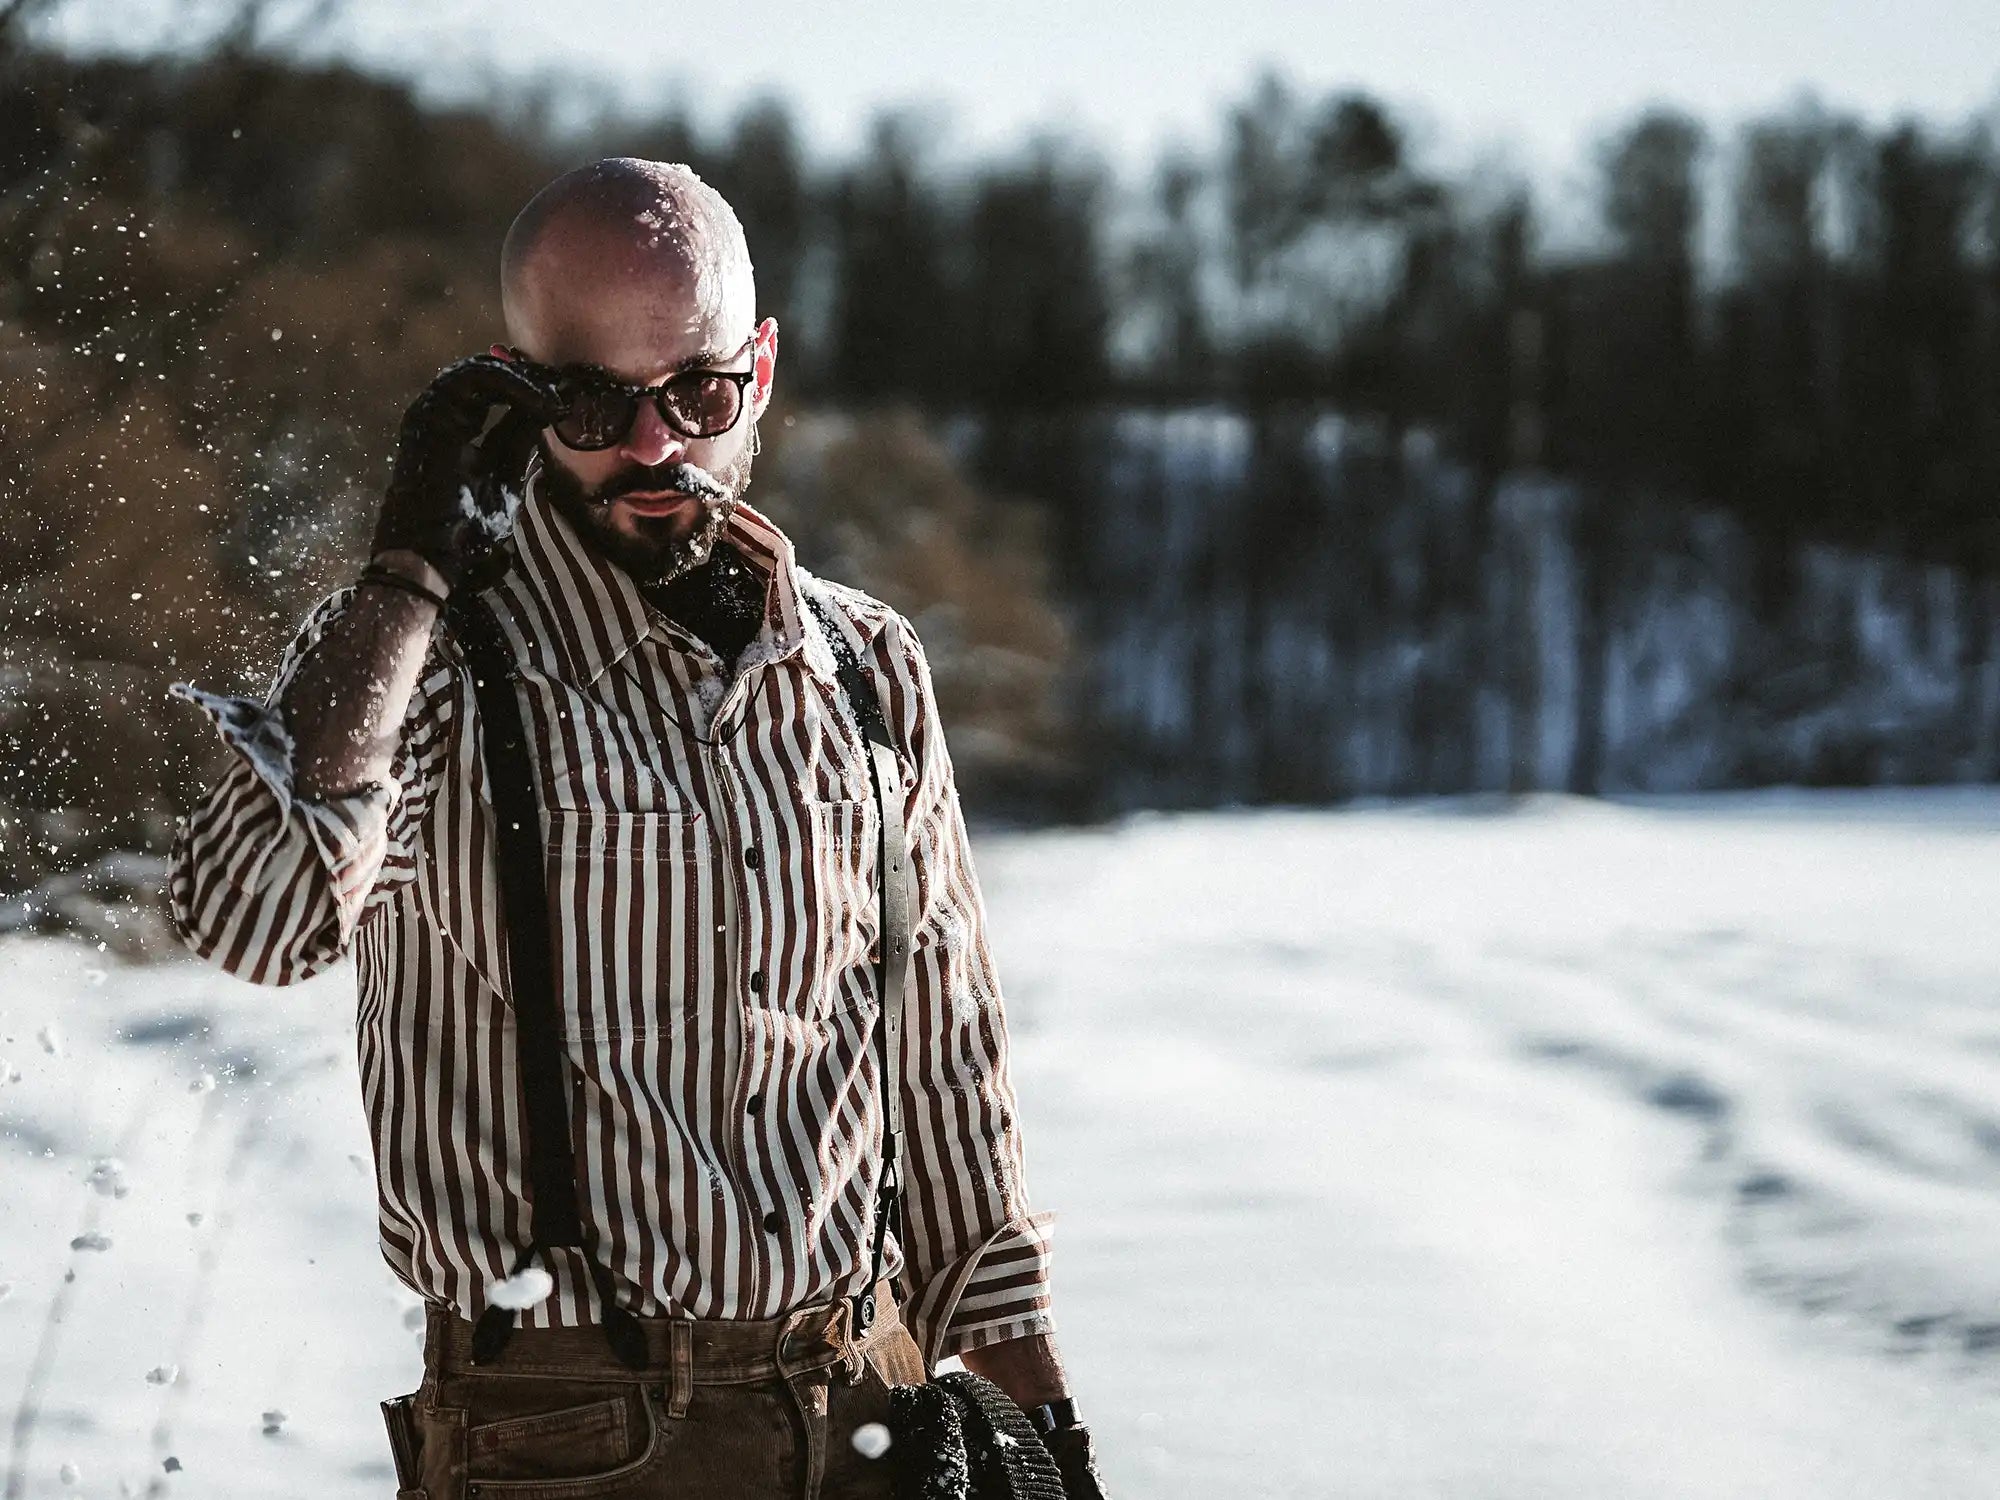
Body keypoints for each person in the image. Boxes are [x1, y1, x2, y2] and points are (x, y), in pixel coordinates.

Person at [167, 157, 1108, 1499]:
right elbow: (254, 924)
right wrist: (408, 569)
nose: (657, 444)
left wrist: (1051, 1432)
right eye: (596, 400)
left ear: (761, 369)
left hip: (880, 1414)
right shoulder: (427, 663)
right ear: (514, 386)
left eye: (698, 392)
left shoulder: (867, 664)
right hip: (569, 1435)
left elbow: (945, 1066)